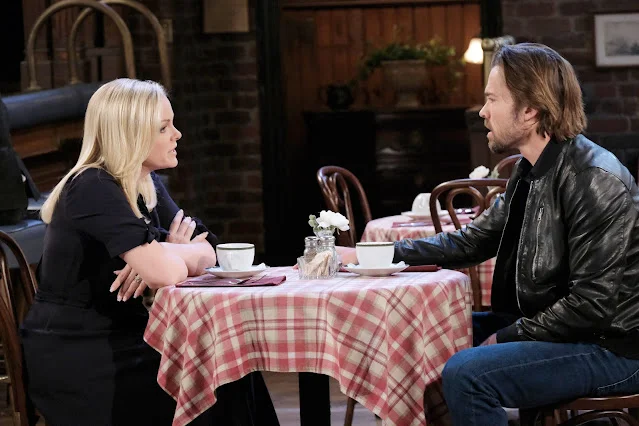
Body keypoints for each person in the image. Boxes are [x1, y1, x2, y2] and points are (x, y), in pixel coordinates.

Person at [338, 43, 639, 425]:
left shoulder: (593, 178)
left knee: (468, 376)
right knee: (422, 334)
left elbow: (590, 305)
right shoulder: (530, 170)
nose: (482, 111)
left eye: (492, 99)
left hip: (612, 347)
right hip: (557, 327)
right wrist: (371, 255)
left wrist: (509, 335)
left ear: (529, 111)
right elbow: (471, 241)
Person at [20, 78, 280, 426]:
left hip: (128, 336)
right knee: (217, 381)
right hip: (79, 351)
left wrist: (161, 251)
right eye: (163, 127)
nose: (177, 135)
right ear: (131, 134)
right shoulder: (92, 185)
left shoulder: (145, 183)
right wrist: (169, 255)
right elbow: (165, 273)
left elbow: (210, 252)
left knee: (233, 366)